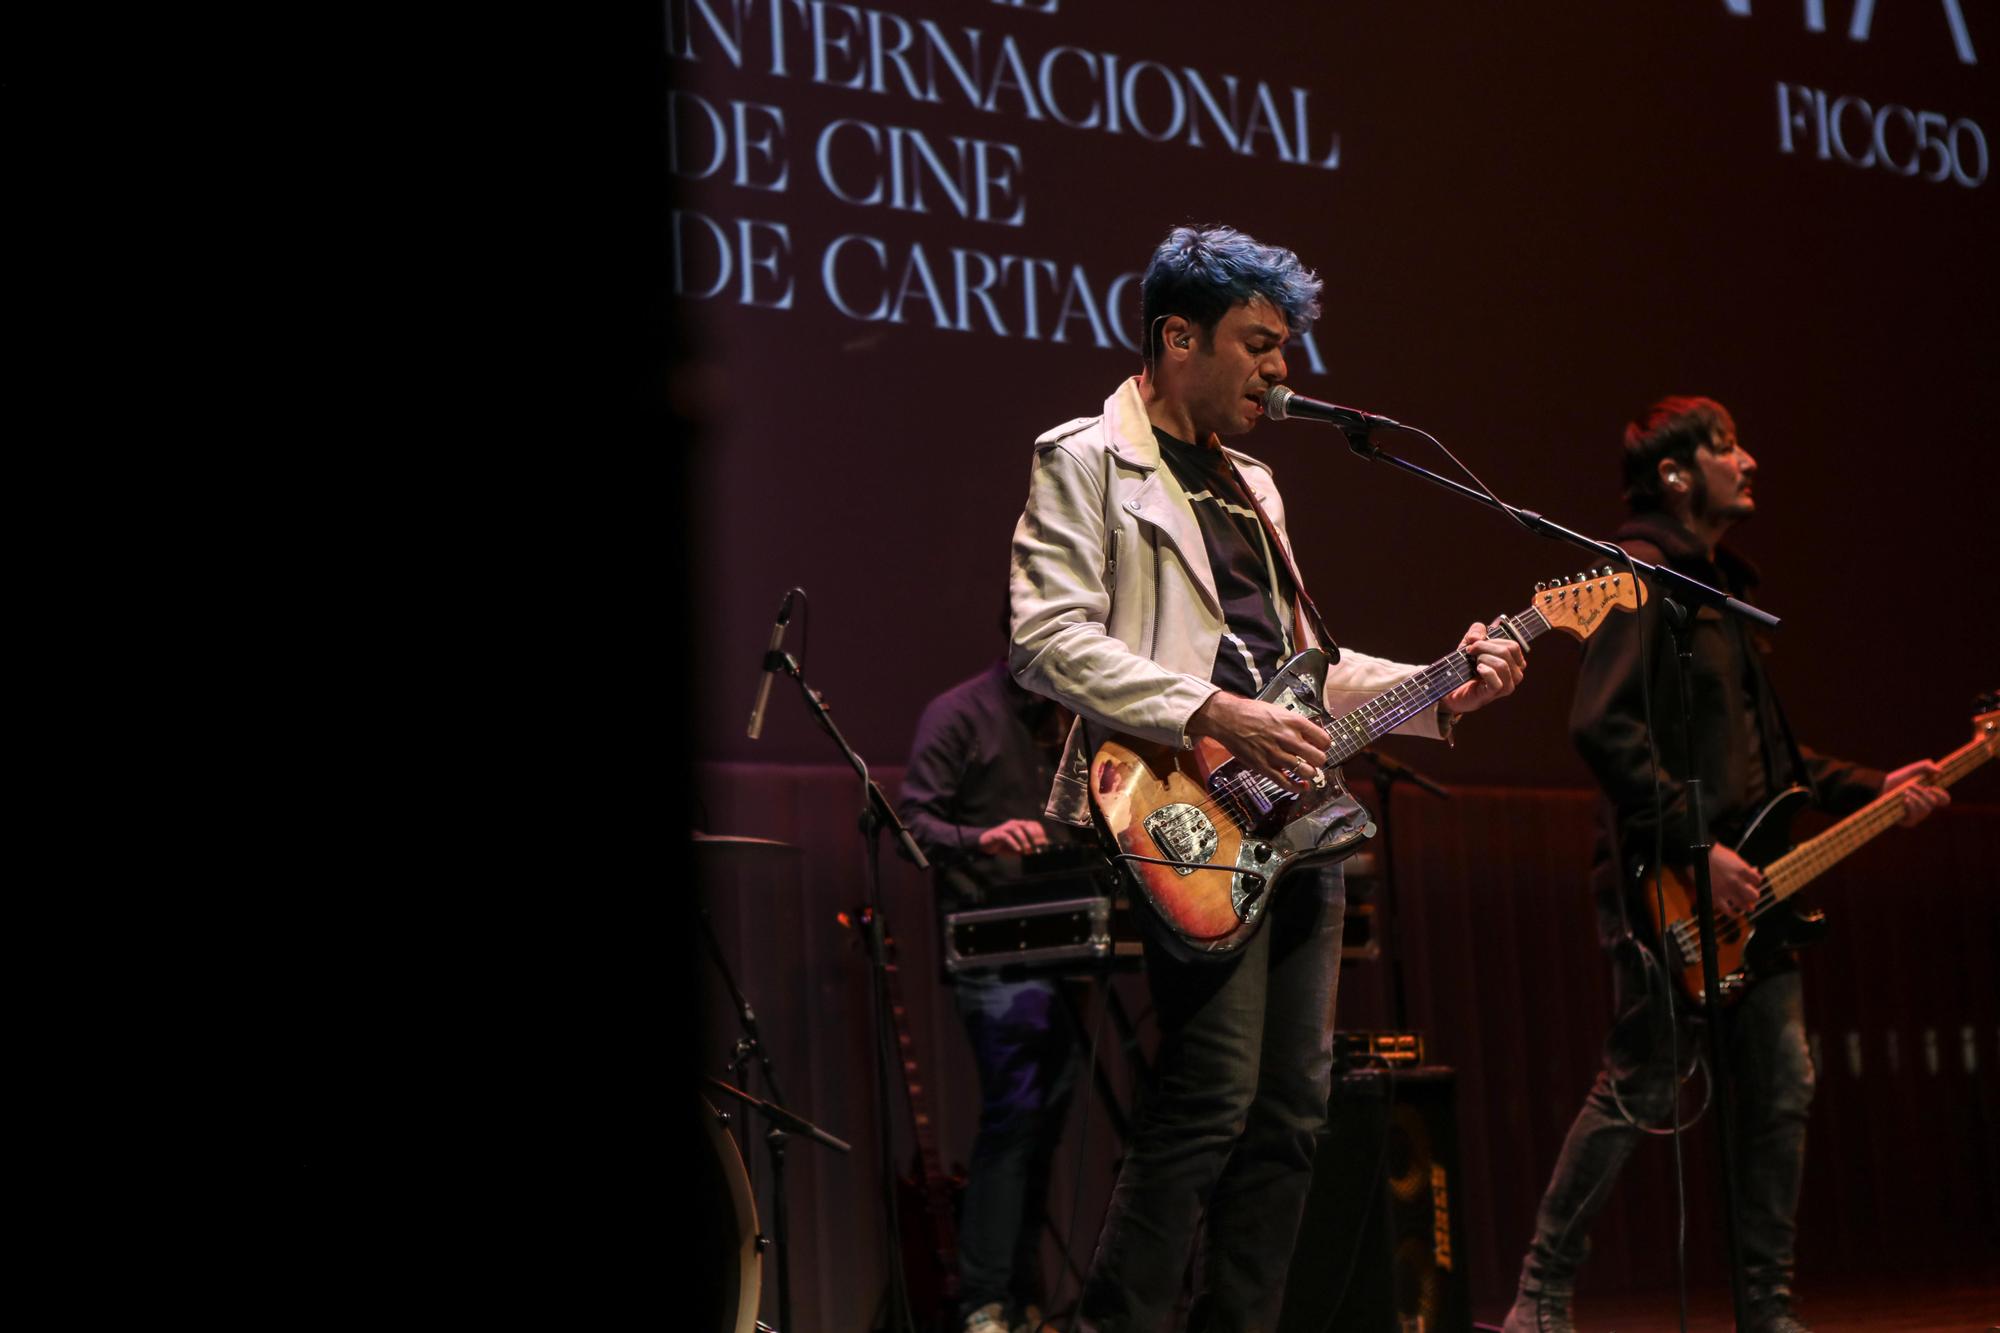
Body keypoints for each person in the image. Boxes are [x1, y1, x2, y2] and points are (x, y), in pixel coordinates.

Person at [1007, 224, 1526, 1332]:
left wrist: (1445, 686)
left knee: (1290, 1111)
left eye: (1285, 346)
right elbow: (1045, 638)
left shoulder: (1254, 483)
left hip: (1293, 818)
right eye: (1257, 343)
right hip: (1177, 805)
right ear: (1175, 337)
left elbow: (1305, 671)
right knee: (1206, 1102)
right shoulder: (1085, 458)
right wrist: (1209, 712)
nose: (1281, 370)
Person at [1498, 396, 1948, 1333]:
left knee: (1781, 1090)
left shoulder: (1723, 593)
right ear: (1675, 473)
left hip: (1762, 893)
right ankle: (1540, 1299)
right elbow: (1601, 726)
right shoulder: (1642, 578)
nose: (1749, 461)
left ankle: (1766, 1312)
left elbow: (1771, 760)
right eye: (1726, 446)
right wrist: (1698, 850)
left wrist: (1876, 786)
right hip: (1669, 883)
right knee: (1643, 1084)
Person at [898, 656, 1090, 1333]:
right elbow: (912, 823)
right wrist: (983, 837)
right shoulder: (959, 712)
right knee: (1015, 1113)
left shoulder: (1068, 715)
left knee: (1047, 1123)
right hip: (994, 947)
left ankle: (1020, 1296)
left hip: (1062, 942)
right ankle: (984, 1300)